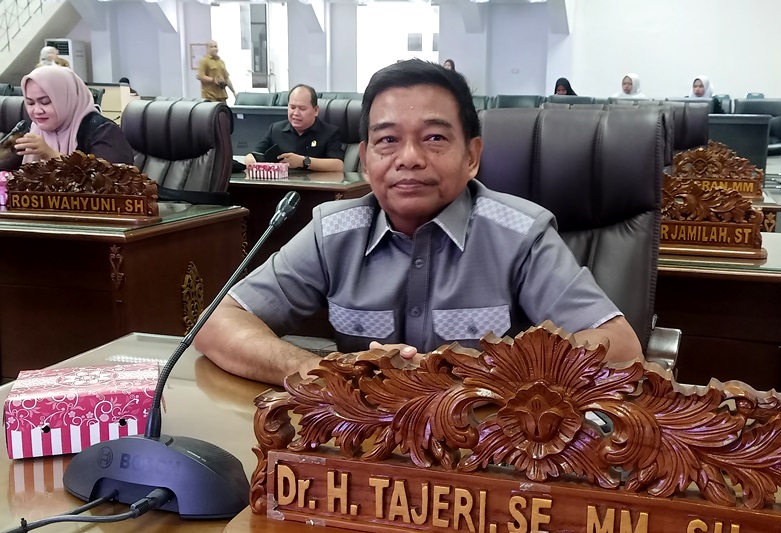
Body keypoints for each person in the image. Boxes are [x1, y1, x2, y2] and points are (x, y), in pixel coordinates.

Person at [194, 59, 643, 386]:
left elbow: (620, 347)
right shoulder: (333, 232)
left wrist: (473, 378)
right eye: (388, 140)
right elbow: (217, 325)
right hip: (361, 454)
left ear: (472, 156)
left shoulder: (520, 234)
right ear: (366, 159)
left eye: (434, 138)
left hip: (486, 451)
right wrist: (320, 370)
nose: (409, 158)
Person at [3, 66, 133, 169]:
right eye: (30, 103)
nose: (37, 111)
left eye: (45, 102)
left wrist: (50, 154)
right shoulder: (33, 130)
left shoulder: (103, 132)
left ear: (67, 99)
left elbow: (109, 183)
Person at [243, 84, 344, 172]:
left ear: (316, 110)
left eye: (302, 109)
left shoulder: (329, 132)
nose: (296, 113)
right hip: (281, 184)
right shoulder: (275, 130)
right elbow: (253, 156)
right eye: (292, 107)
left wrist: (303, 161)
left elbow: (338, 165)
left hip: (315, 186)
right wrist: (253, 162)